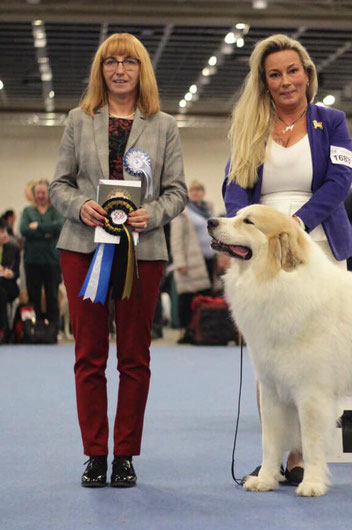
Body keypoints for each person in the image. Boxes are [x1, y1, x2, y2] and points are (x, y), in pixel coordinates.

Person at [49, 33, 187, 488]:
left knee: (134, 357)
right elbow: (59, 185)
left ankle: (125, 454)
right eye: (112, 62)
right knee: (88, 356)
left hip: (142, 252)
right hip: (81, 249)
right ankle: (94, 454)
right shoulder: (77, 119)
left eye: (130, 61)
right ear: (101, 69)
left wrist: (155, 213)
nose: (120, 69)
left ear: (141, 69)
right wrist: (80, 206)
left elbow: (178, 191)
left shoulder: (164, 125)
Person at [222, 34, 352, 485]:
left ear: (307, 74)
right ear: (264, 82)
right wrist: (252, 229)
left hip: (316, 241)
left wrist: (294, 225)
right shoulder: (247, 127)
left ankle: (303, 457)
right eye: (275, 74)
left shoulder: (332, 121)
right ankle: (270, 459)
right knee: (269, 360)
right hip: (261, 247)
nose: (285, 82)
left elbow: (340, 180)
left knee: (315, 362)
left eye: (292, 71)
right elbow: (235, 187)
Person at [170, 180, 213, 344]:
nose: (196, 193)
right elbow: (176, 238)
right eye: (193, 190)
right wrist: (180, 261)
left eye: (199, 190)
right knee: (186, 297)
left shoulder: (208, 210)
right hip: (190, 261)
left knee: (204, 297)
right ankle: (184, 331)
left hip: (207, 259)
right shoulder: (183, 211)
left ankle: (201, 331)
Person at [19, 180, 64, 335]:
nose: (40, 196)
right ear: (34, 194)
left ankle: (53, 329)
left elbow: (60, 227)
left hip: (52, 260)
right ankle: (34, 329)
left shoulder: (56, 210)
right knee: (34, 296)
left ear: (48, 194)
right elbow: (24, 229)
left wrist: (37, 226)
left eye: (43, 192)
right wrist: (47, 232)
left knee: (52, 295)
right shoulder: (27, 211)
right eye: (37, 193)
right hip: (32, 260)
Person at [0, 219, 20, 343]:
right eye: (2, 232)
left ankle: (3, 330)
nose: (6, 234)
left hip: (9, 286)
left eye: (6, 231)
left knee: (1, 293)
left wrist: (11, 273)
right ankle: (4, 330)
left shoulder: (13, 249)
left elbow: (17, 272)